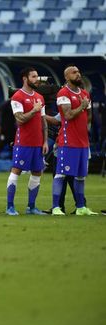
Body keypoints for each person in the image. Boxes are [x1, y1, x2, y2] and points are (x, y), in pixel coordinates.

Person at [51, 65, 97, 216]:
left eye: (78, 71)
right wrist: (82, 107)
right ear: (66, 77)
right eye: (74, 72)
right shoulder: (63, 93)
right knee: (61, 174)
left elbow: (89, 116)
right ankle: (56, 207)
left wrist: (84, 120)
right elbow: (69, 115)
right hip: (68, 141)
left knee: (80, 176)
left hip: (83, 142)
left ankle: (81, 207)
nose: (78, 74)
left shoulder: (85, 93)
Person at [5, 67, 48, 215]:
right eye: (34, 77)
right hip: (23, 142)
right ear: (25, 78)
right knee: (16, 171)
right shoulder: (17, 97)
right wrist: (34, 110)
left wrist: (45, 142)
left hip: (38, 143)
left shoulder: (39, 97)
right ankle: (10, 206)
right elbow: (20, 119)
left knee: (37, 172)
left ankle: (31, 207)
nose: (37, 79)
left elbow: (43, 122)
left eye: (37, 76)